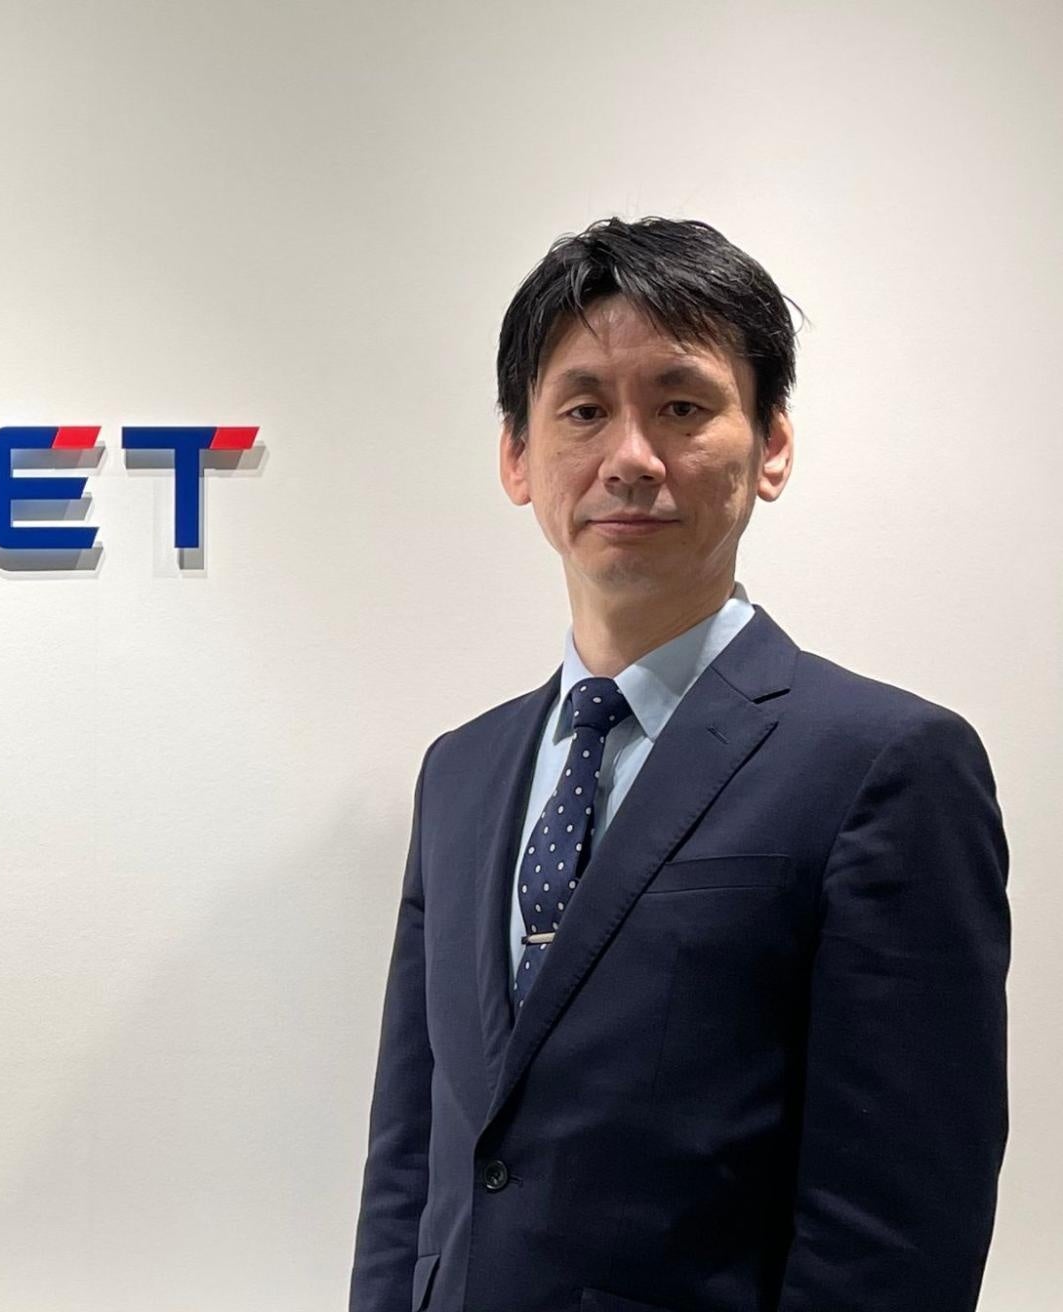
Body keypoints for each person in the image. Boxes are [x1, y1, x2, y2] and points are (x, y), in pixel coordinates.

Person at [347, 216, 1011, 1312]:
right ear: (516, 456)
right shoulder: (460, 772)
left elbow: (896, 1229)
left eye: (681, 407)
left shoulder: (884, 766)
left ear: (771, 445)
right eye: (582, 410)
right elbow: (411, 1160)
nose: (630, 457)